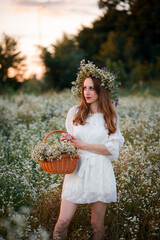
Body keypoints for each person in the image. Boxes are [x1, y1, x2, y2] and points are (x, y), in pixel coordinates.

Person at [53, 60, 124, 240]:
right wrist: (68, 141)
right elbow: (71, 143)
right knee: (62, 222)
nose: (87, 92)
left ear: (101, 90)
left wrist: (83, 145)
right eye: (85, 88)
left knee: (96, 224)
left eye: (92, 88)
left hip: (100, 171)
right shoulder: (75, 112)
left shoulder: (111, 116)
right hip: (77, 170)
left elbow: (112, 148)